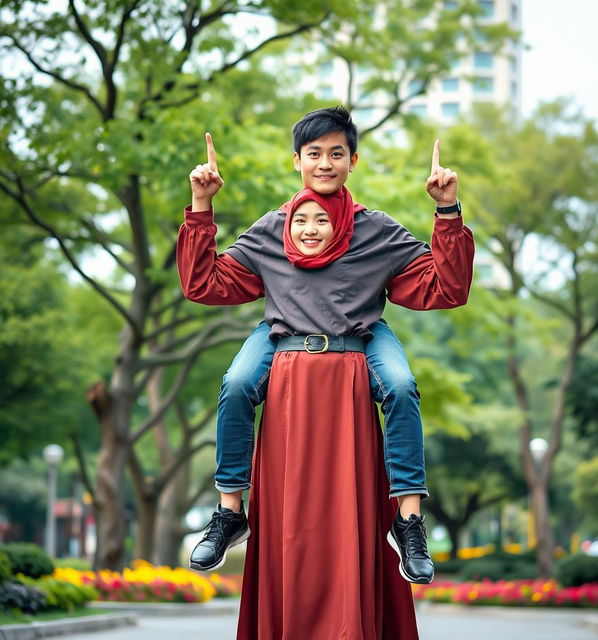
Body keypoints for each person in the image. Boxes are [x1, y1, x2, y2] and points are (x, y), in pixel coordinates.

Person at [177, 108, 474, 638]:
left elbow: (444, 288)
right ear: (297, 161)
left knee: (403, 387)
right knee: (237, 383)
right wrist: (202, 206)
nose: (325, 162)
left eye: (337, 153)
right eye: (314, 153)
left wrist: (446, 210)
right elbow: (206, 284)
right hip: (280, 337)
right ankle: (228, 512)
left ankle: (407, 522)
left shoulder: (376, 231)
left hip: (362, 336)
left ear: (353, 161)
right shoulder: (273, 229)